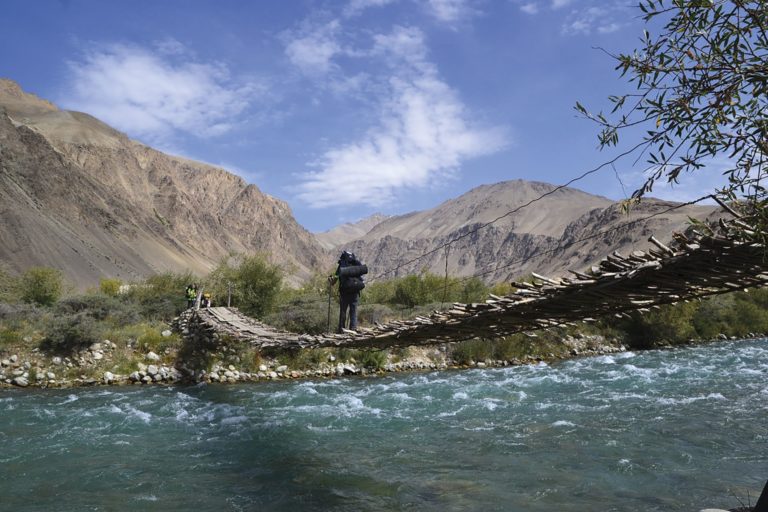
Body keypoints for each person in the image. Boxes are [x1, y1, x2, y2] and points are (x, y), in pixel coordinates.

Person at [329, 251, 366, 333]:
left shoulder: (341, 267)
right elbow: (361, 278)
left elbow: (334, 280)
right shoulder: (355, 266)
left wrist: (331, 280)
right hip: (355, 292)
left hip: (344, 292)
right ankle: (353, 329)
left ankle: (341, 330)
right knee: (353, 312)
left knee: (343, 312)